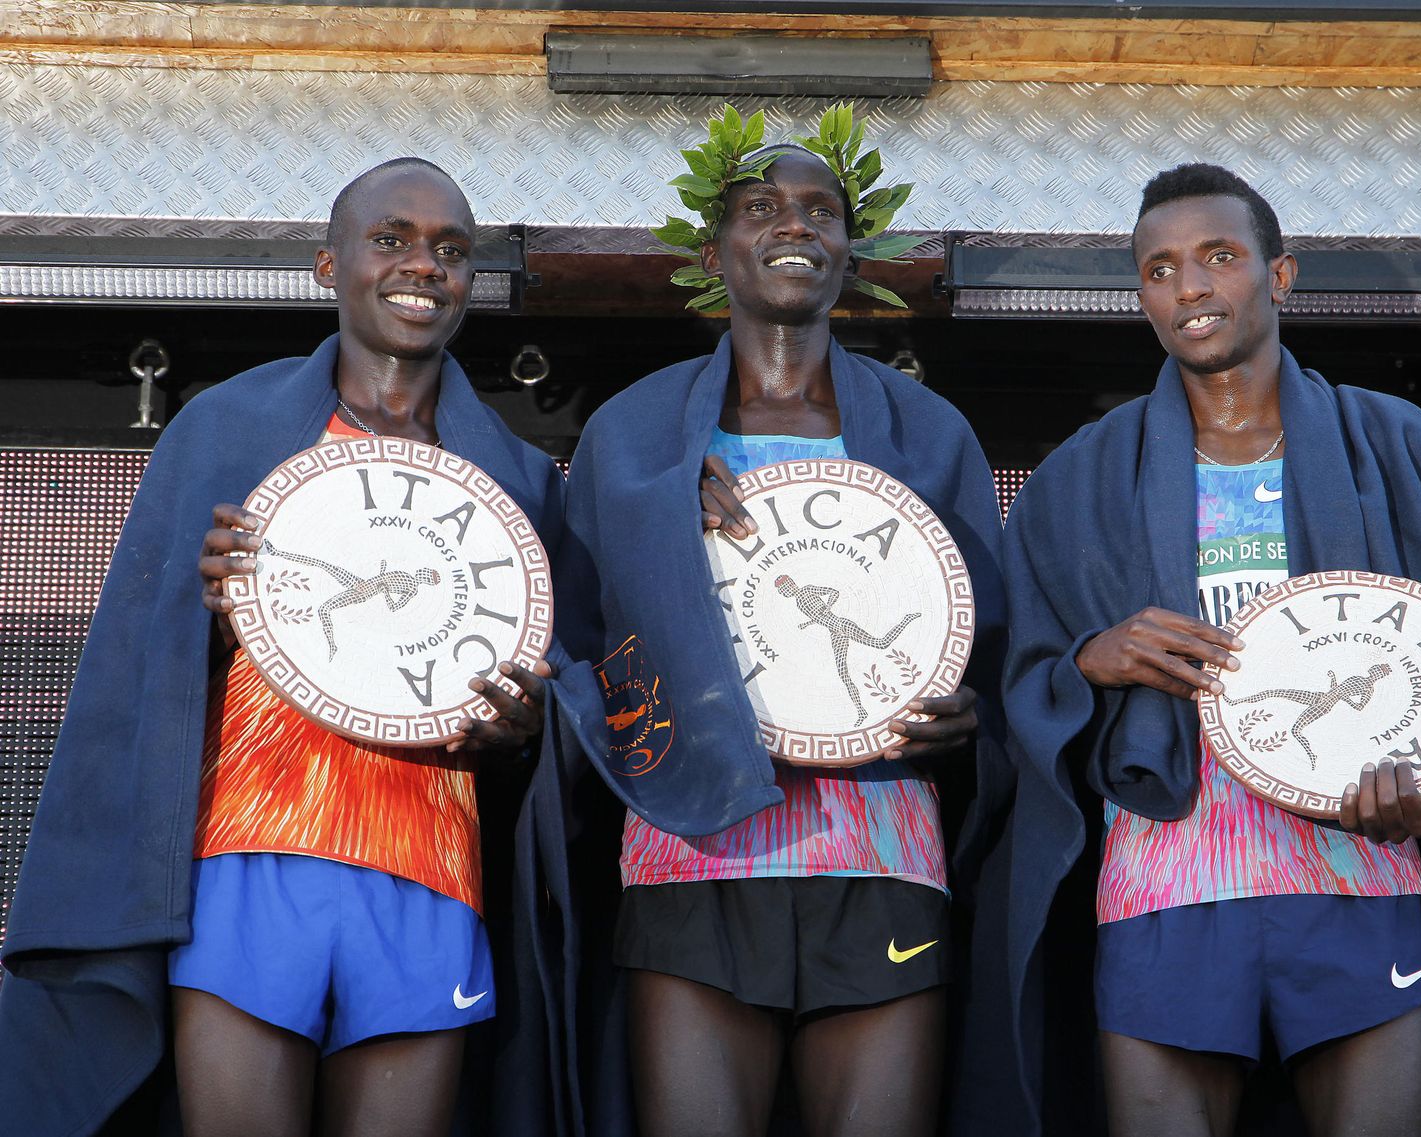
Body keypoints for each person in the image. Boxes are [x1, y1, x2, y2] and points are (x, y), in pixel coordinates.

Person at [975, 163, 1421, 1136]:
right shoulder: (1078, 478)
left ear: (1280, 275)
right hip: (1163, 886)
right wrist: (1089, 661)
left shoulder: (1386, 442)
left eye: (1218, 257)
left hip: (1356, 874)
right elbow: (1004, 680)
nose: (1188, 287)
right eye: (1159, 269)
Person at [0, 157, 578, 1137]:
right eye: (390, 240)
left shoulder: (519, 483)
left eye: (450, 250)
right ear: (326, 265)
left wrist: (523, 734)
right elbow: (141, 677)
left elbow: (566, 704)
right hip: (250, 852)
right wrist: (216, 621)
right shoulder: (226, 428)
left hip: (431, 867)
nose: (423, 265)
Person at [555, 106, 1008, 1137]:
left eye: (818, 210)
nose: (791, 225)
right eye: (760, 208)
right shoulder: (632, 436)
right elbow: (577, 645)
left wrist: (967, 717)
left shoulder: (930, 434)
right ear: (713, 254)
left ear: (854, 252)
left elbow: (994, 644)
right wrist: (659, 513)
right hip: (691, 852)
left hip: (880, 850)